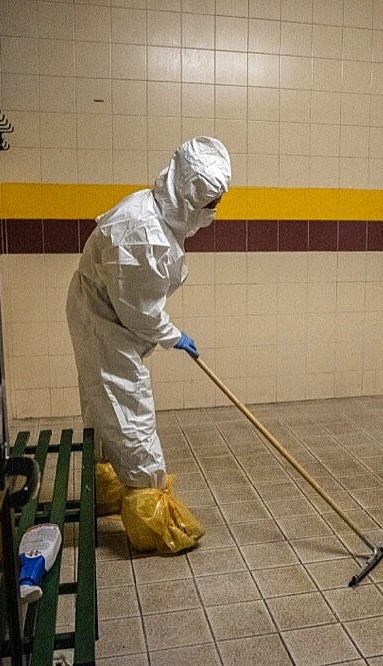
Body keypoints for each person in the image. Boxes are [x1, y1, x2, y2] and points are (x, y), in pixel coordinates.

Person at [67, 136, 230, 552]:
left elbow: (137, 305)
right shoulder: (144, 234)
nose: (214, 212)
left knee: (104, 404)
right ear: (189, 194)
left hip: (104, 316)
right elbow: (139, 312)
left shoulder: (153, 212)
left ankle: (107, 487)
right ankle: (150, 517)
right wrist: (175, 336)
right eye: (210, 203)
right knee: (129, 410)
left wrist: (167, 332)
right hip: (107, 326)